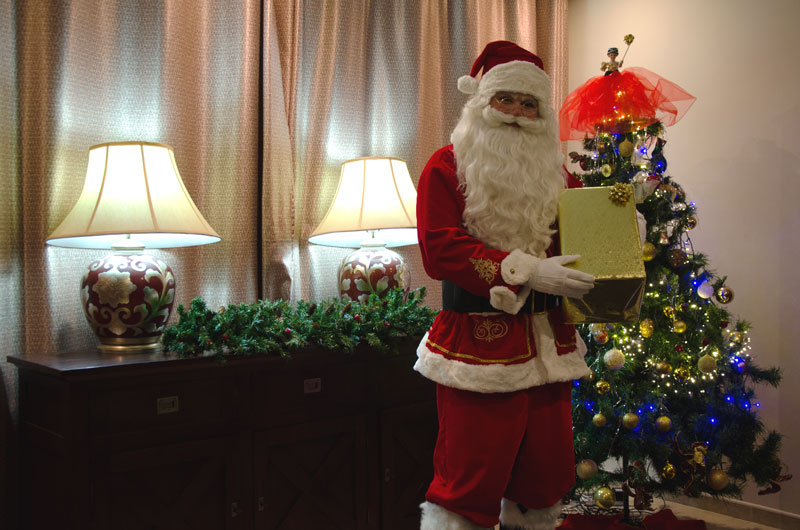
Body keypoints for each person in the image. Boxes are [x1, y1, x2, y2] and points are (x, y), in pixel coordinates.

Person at [414, 41, 595, 530]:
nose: (516, 113)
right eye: (505, 99)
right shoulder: (445, 166)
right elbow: (439, 249)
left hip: (547, 341)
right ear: (482, 103)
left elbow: (585, 228)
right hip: (478, 340)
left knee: (545, 476)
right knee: (470, 476)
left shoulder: (556, 175)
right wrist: (524, 270)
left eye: (528, 103)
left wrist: (621, 226)